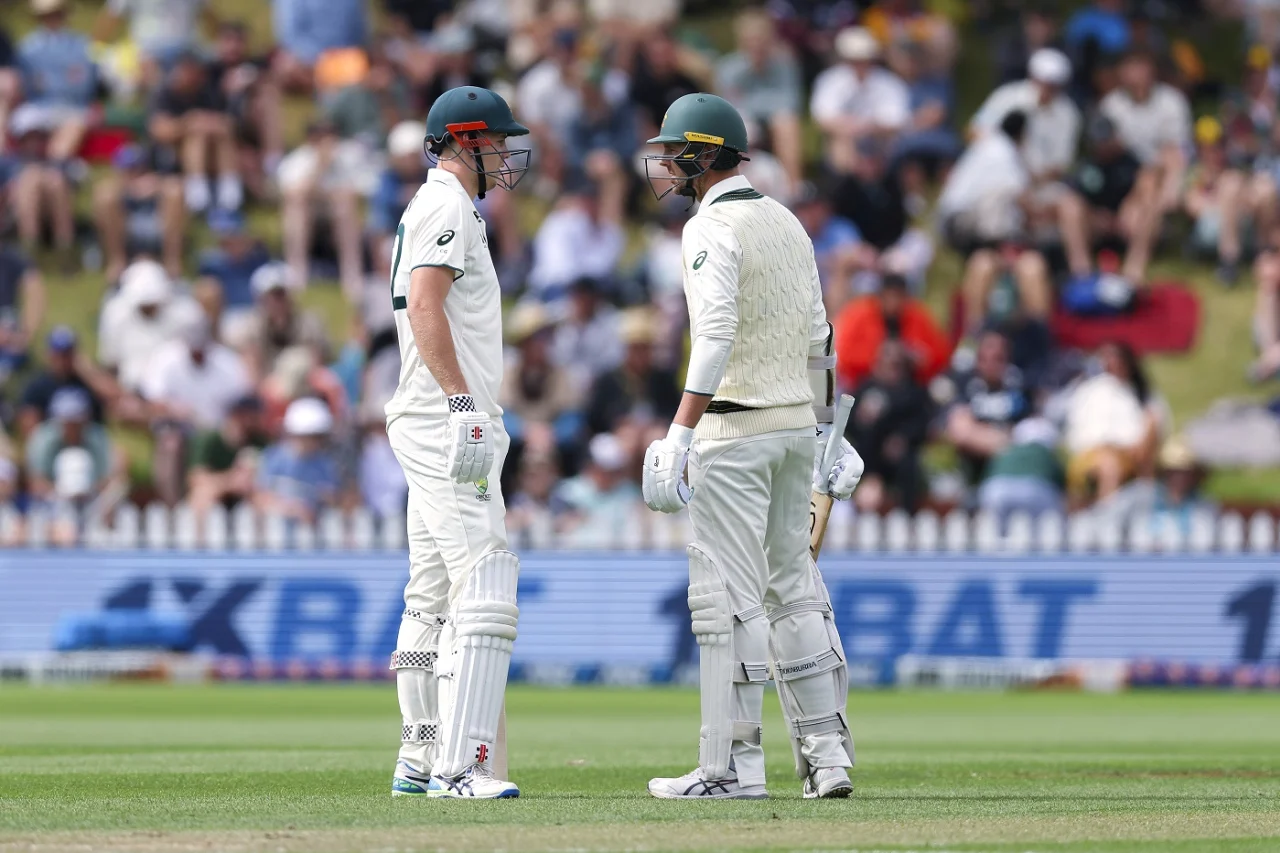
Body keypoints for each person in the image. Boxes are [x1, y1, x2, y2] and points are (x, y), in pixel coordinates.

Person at [640, 93, 862, 800]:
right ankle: (828, 757)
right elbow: (820, 338)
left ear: (705, 157)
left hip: (733, 432)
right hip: (796, 429)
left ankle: (732, 767)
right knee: (794, 591)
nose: (668, 164)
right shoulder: (787, 220)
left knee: (727, 600)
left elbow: (716, 334)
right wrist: (828, 429)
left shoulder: (709, 230)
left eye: (677, 152)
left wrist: (680, 430)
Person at [384, 87, 530, 800]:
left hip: (431, 414)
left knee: (432, 590)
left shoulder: (439, 205)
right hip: (444, 417)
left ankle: (417, 754)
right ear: (464, 141)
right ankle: (461, 764)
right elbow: (424, 303)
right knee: (486, 575)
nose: (505, 155)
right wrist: (461, 400)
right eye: (497, 142)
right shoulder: (444, 204)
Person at [1063, 341, 1169, 505]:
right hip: (1094, 452)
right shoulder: (1090, 391)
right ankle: (1106, 515)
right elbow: (1078, 431)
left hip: (1130, 454)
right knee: (1109, 466)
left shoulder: (1142, 394)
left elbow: (1157, 424)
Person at [148, 50, 243, 214]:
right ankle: (198, 196)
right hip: (173, 158)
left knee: (217, 136)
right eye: (186, 71)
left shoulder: (208, 93)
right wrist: (188, 123)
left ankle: (230, 195)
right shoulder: (163, 93)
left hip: (213, 157)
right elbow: (159, 130)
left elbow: (229, 125)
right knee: (196, 136)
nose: (191, 77)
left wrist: (207, 122)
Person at [845, 340, 934, 513]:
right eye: (886, 363)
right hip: (869, 461)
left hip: (903, 460)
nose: (890, 370)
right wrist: (862, 418)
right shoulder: (865, 389)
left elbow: (923, 425)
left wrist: (903, 438)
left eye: (896, 365)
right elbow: (849, 427)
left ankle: (908, 514)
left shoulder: (913, 392)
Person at [810, 27, 910, 176]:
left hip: (880, 142)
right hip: (845, 139)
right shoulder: (830, 80)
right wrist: (852, 128)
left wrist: (867, 128)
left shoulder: (889, 82)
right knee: (841, 141)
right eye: (854, 58)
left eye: (863, 58)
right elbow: (822, 118)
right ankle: (848, 183)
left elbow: (897, 120)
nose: (859, 63)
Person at [833, 274, 950, 391]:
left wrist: (918, 358)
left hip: (910, 387)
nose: (893, 303)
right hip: (864, 386)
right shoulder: (858, 314)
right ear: (880, 296)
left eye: (898, 297)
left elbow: (940, 356)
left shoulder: (917, 316)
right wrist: (879, 357)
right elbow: (842, 355)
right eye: (889, 296)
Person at [92, 144, 187, 282]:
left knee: (175, 192)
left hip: (157, 237)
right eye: (129, 170)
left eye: (139, 169)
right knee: (106, 198)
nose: (135, 174)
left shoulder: (163, 189)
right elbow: (99, 211)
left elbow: (177, 187)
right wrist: (127, 188)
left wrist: (157, 185)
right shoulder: (111, 192)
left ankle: (171, 261)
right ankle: (117, 261)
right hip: (127, 240)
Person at [253, 396, 342, 522]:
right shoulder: (274, 459)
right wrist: (291, 509)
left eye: (318, 437)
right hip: (276, 533)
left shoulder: (324, 464)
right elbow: (260, 497)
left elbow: (333, 499)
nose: (315, 442)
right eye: (311, 436)